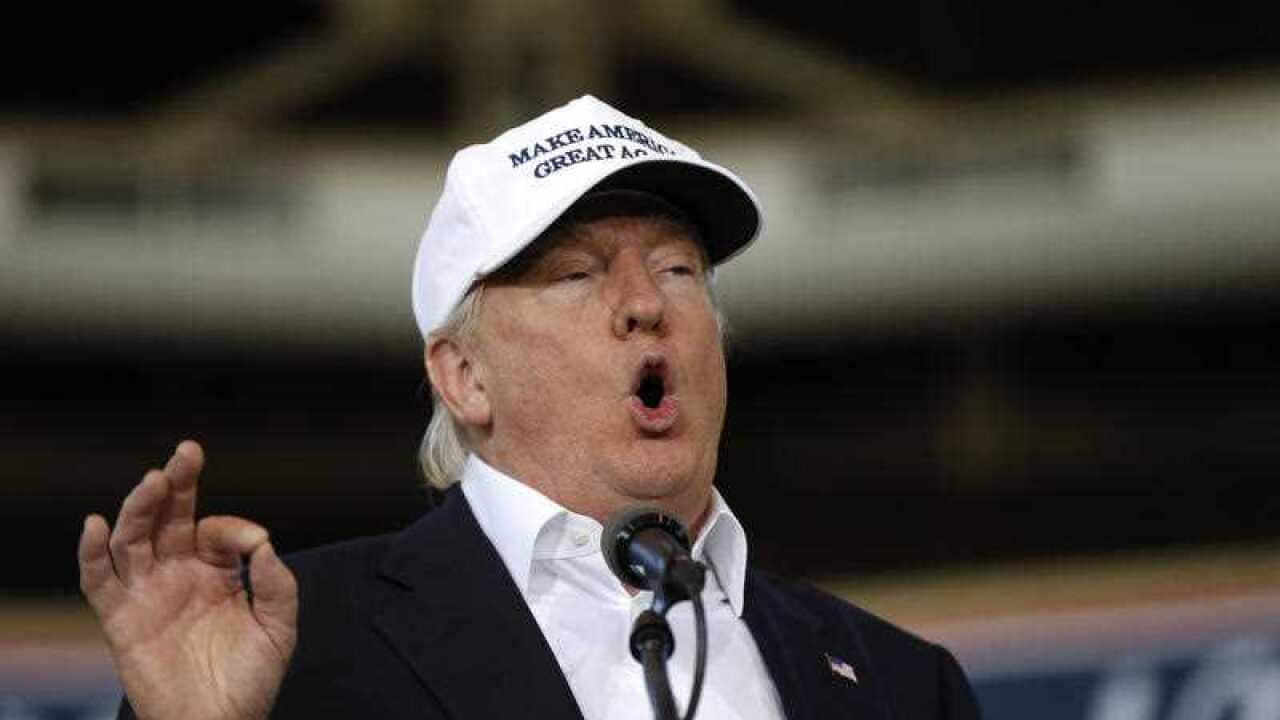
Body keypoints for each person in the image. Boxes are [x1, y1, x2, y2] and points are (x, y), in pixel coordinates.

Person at [78, 95, 981, 720]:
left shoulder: (902, 684)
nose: (645, 302)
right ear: (464, 375)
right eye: (577, 274)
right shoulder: (298, 646)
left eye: (678, 269)